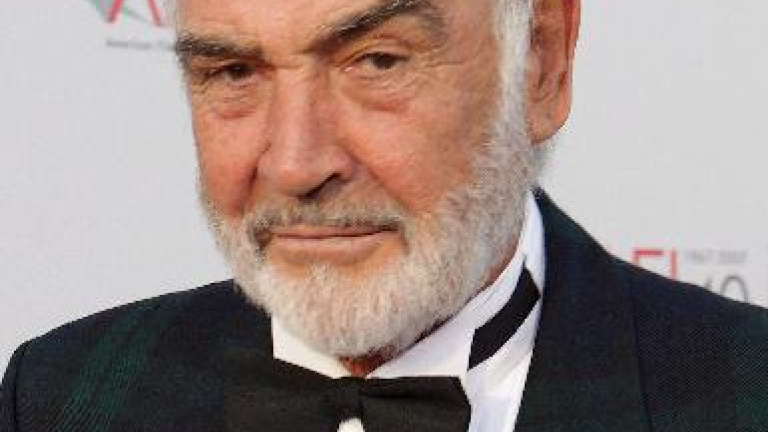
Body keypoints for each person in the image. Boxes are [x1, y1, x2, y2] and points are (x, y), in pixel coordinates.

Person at [2, 0, 767, 430]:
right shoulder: (64, 398)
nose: (297, 164)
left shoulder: (744, 395)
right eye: (234, 72)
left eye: (377, 61)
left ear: (541, 62)